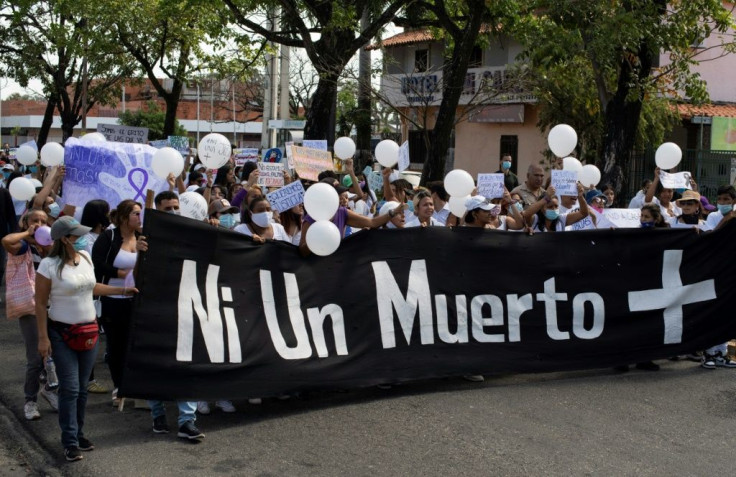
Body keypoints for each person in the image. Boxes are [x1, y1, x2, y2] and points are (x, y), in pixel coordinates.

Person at [35, 216, 137, 461]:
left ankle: (78, 434)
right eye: (76, 235)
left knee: (81, 390)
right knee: (69, 388)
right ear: (64, 239)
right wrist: (42, 338)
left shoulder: (86, 258)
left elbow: (92, 287)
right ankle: (69, 441)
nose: (81, 239)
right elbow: (39, 303)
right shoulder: (48, 266)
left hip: (89, 331)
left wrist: (122, 289)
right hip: (61, 333)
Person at [146, 192, 204, 440]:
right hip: (154, 309)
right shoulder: (146, 235)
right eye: (167, 207)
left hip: (185, 306)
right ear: (157, 209)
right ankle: (158, 414)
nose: (173, 211)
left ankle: (186, 421)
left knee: (187, 364)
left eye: (176, 207)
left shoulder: (187, 232)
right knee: (155, 365)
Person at [2, 209, 58, 420]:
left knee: (56, 354)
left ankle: (50, 391)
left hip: (55, 306)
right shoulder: (23, 247)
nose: (40, 224)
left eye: (44, 221)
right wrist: (28, 234)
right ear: (25, 223)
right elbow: (6, 241)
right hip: (32, 307)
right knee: (36, 357)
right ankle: (30, 401)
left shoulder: (51, 248)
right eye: (35, 220)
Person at [91, 200, 145, 407]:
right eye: (135, 214)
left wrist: (142, 252)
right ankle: (118, 386)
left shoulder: (142, 237)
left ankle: (134, 385)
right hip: (112, 298)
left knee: (135, 343)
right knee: (116, 345)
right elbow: (97, 263)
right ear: (124, 217)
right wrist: (120, 273)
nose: (139, 218)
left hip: (136, 298)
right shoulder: (109, 237)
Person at [79, 199, 112, 394]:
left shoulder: (108, 235)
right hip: (90, 292)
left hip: (103, 291)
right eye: (106, 212)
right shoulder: (86, 239)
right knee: (88, 335)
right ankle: (88, 379)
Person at [523, 184, 590, 232]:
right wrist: (546, 198)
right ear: (541, 209)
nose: (554, 209)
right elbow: (526, 214)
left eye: (556, 206)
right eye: (550, 207)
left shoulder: (561, 220)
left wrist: (580, 196)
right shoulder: (535, 220)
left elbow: (583, 213)